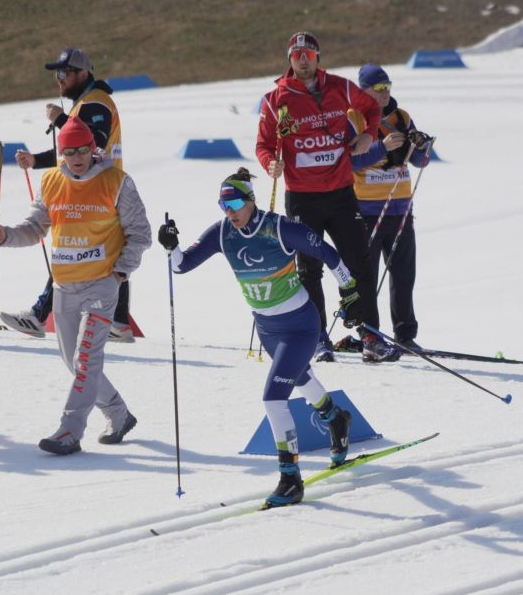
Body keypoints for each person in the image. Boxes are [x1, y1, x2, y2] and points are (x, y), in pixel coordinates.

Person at [157, 167, 364, 508]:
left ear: (251, 201)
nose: (230, 211)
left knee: (273, 398)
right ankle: (334, 417)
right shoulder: (223, 233)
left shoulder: (278, 228)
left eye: (235, 202)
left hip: (299, 325)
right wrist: (171, 246)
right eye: (223, 205)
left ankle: (290, 478)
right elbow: (181, 266)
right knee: (300, 377)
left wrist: (350, 291)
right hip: (267, 328)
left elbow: (327, 253)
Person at [0, 117, 151, 455]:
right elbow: (35, 228)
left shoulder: (117, 181)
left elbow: (141, 235)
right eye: (68, 151)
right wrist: (6, 236)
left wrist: (119, 274)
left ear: (93, 148)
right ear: (60, 153)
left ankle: (69, 431)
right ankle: (119, 414)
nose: (76, 157)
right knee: (73, 361)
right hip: (64, 286)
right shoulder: (51, 181)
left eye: (82, 150)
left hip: (102, 286)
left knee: (87, 359)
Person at [256, 31, 400, 363]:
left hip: (340, 192)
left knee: (359, 262)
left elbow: (371, 109)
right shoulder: (275, 99)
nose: (302, 60)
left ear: (318, 57)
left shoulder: (340, 86)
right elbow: (263, 145)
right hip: (302, 198)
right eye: (296, 56)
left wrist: (367, 134)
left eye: (308, 54)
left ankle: (369, 336)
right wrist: (269, 164)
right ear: (290, 60)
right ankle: (317, 338)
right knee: (308, 269)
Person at [0, 47, 135, 342]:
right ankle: (118, 321)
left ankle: (40, 315)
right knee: (95, 249)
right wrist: (37, 159)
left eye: (64, 73)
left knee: (72, 250)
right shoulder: (86, 103)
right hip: (95, 185)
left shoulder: (96, 103)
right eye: (56, 74)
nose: (58, 80)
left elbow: (90, 145)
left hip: (97, 187)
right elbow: (73, 149)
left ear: (83, 73)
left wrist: (61, 119)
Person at [348, 64, 433, 351]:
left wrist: (421, 148)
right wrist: (381, 148)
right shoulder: (352, 118)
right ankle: (368, 334)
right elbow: (349, 162)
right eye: (378, 89)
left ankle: (406, 335)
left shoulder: (402, 117)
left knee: (404, 276)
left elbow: (420, 162)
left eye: (388, 87)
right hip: (367, 212)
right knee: (366, 278)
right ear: (363, 91)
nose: (385, 94)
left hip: (399, 209)